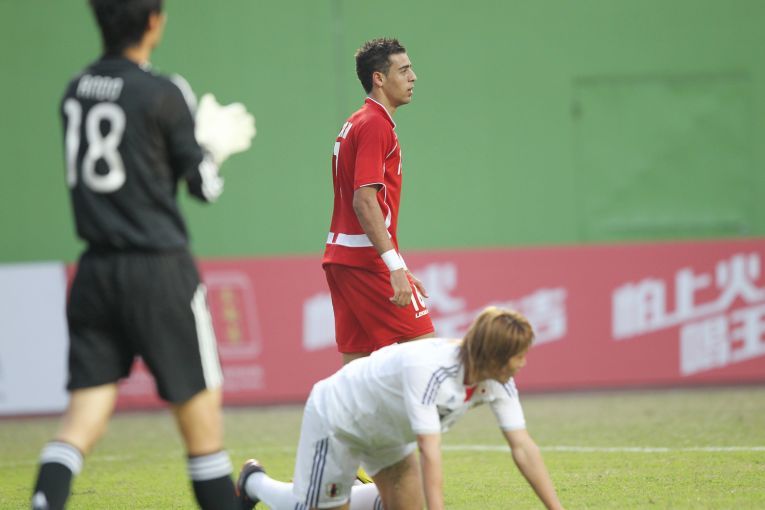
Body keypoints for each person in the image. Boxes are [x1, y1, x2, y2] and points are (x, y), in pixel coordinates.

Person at [30, 1, 255, 509]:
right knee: (203, 432)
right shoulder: (164, 91)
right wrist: (212, 148)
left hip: (95, 272)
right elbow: (203, 186)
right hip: (159, 272)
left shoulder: (75, 90)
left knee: (81, 419)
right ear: (153, 22)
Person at [236, 307, 565, 510]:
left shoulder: (497, 378)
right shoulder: (430, 369)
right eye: (519, 355)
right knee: (317, 506)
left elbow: (523, 447)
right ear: (495, 355)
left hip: (388, 433)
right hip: (339, 418)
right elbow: (430, 452)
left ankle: (347, 491)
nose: (523, 363)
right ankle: (254, 483)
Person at [322, 38, 435, 366]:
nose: (413, 77)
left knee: (356, 375)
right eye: (404, 70)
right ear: (379, 78)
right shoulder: (374, 124)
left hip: (343, 259)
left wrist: (398, 262)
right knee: (427, 361)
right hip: (366, 261)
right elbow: (364, 201)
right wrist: (393, 266)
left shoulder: (357, 121)